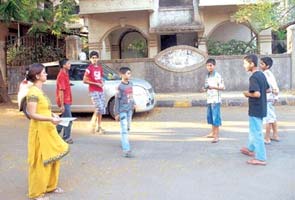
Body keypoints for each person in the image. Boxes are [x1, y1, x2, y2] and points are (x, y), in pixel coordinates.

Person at [26, 63, 69, 200]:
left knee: (54, 157)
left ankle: (51, 186)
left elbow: (43, 109)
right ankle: (37, 193)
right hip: (40, 130)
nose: (46, 74)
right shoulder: (32, 92)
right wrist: (49, 119)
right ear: (37, 76)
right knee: (40, 160)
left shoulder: (40, 91)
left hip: (48, 128)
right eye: (44, 73)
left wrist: (53, 115)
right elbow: (32, 114)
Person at [241, 54, 269, 166]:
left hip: (256, 109)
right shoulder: (261, 75)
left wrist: (246, 93)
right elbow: (267, 89)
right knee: (254, 130)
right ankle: (250, 148)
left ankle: (261, 158)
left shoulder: (253, 77)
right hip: (261, 107)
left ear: (252, 64)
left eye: (245, 63)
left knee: (257, 133)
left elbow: (257, 94)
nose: (244, 66)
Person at [114, 67, 136, 157]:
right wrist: (116, 113)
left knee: (127, 128)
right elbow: (116, 100)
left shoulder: (131, 84)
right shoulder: (119, 87)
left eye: (130, 73)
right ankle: (126, 150)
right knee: (124, 129)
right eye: (127, 73)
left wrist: (134, 103)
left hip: (129, 109)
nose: (129, 75)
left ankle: (123, 141)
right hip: (122, 110)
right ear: (122, 75)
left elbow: (131, 95)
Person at [83, 51, 106, 134]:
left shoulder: (100, 67)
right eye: (93, 58)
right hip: (93, 90)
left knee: (101, 109)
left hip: (100, 90)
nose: (94, 59)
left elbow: (101, 78)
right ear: (90, 59)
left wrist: (102, 82)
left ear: (98, 58)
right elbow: (84, 80)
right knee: (98, 107)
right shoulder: (89, 69)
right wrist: (96, 83)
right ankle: (92, 124)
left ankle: (99, 126)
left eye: (96, 57)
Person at [202, 58, 225, 143]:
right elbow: (207, 86)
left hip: (216, 99)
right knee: (210, 117)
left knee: (216, 117)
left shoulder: (217, 76)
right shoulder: (207, 75)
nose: (209, 67)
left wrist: (213, 87)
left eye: (211, 65)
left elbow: (222, 87)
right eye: (208, 66)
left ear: (214, 66)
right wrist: (205, 89)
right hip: (209, 99)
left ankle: (216, 136)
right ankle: (212, 132)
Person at [260, 57, 280, 144]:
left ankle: (267, 138)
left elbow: (272, 87)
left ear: (267, 66)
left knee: (267, 119)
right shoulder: (269, 74)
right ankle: (275, 135)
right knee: (272, 117)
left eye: (262, 64)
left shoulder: (266, 74)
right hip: (271, 98)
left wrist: (275, 95)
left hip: (268, 98)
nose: (260, 65)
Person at [56, 59, 74, 144]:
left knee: (64, 119)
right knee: (69, 119)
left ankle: (54, 134)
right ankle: (66, 137)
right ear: (64, 65)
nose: (70, 64)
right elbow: (61, 91)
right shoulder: (62, 75)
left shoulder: (65, 74)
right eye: (68, 63)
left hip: (67, 100)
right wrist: (62, 105)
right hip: (65, 101)